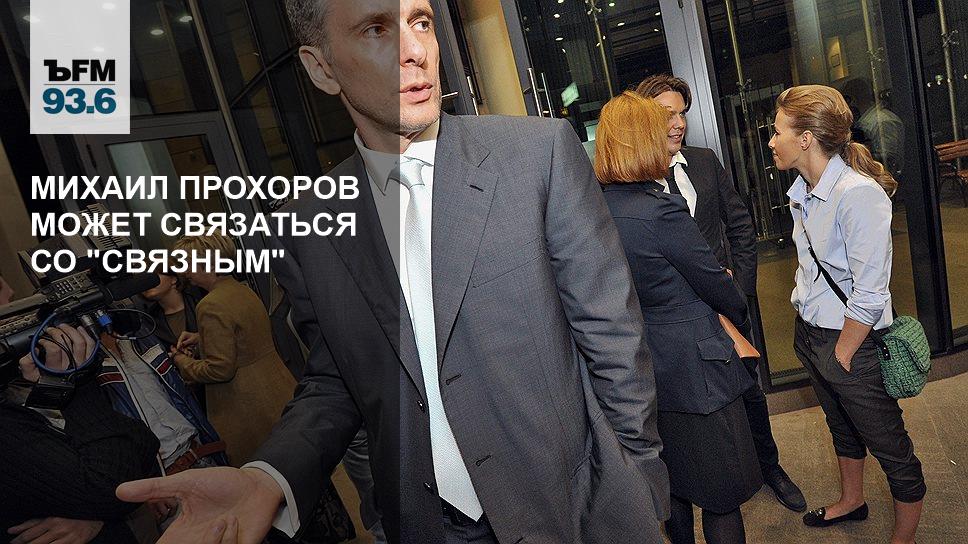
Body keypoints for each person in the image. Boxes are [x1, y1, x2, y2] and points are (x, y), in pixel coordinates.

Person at [117, 1, 669, 543]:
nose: (414, 50)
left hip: (572, 509)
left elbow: (613, 337)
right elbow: (336, 380)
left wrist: (638, 488)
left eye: (420, 22)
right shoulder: (306, 223)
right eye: (376, 29)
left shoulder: (537, 156)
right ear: (321, 68)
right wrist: (268, 478)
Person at [636, 74, 806, 512]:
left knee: (750, 393)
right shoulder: (634, 180)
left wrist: (740, 290)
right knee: (693, 410)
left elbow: (740, 226)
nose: (678, 123)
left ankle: (770, 468)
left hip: (725, 309)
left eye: (681, 114)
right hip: (678, 321)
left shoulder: (704, 161)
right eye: (667, 114)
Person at [598, 91, 760, 544]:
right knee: (722, 496)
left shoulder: (597, 208)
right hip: (698, 371)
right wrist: (736, 302)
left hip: (643, 369)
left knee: (673, 490)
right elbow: (715, 285)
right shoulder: (661, 210)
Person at [769, 85, 924, 543]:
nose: (771, 141)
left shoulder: (858, 195)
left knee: (890, 446)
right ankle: (852, 501)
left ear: (805, 139)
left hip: (849, 344)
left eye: (777, 132)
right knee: (840, 426)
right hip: (811, 336)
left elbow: (871, 292)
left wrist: (843, 352)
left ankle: (904, 538)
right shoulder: (803, 191)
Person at [2, 325, 160, 544]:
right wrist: (78, 385)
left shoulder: (13, 395)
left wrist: (91, 512)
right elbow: (114, 488)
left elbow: (144, 443)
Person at [168, 233, 296, 466]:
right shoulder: (242, 290)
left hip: (248, 410)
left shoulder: (210, 304)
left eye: (187, 264)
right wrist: (202, 338)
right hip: (278, 393)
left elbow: (219, 370)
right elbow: (246, 337)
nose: (184, 272)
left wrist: (181, 361)